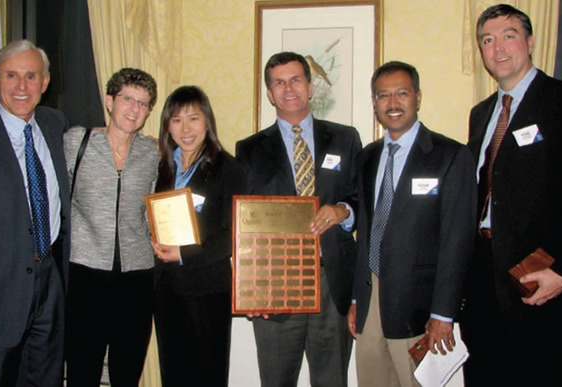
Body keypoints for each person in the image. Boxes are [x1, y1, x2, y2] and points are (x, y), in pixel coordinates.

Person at [459, 4, 562, 386]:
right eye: (487, 39)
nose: (497, 47)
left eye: (509, 35)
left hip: (539, 279)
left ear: (531, 41)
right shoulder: (481, 112)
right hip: (483, 280)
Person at [235, 51, 361, 387]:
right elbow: (243, 224)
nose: (288, 88)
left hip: (331, 284)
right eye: (279, 82)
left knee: (332, 381)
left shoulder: (346, 138)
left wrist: (342, 212)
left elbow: (361, 200)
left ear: (310, 86)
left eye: (295, 80)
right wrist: (250, 288)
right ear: (270, 93)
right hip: (275, 287)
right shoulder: (248, 149)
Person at [347, 61, 476, 387]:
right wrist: (355, 301)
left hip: (420, 308)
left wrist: (443, 313)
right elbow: (364, 231)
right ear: (374, 103)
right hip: (371, 298)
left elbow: (457, 240)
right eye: (383, 95)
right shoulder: (367, 157)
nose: (392, 103)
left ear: (417, 97)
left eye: (401, 93)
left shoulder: (450, 156)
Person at [0, 40, 70, 386]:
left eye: (31, 76)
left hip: (50, 285)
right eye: (11, 75)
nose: (21, 86)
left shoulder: (54, 123)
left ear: (45, 82)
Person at [63, 68, 159, 386]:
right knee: (82, 368)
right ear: (109, 101)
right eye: (127, 99)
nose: (134, 109)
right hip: (85, 273)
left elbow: (155, 209)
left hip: (137, 278)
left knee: (127, 371)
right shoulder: (76, 141)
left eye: (143, 103)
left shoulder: (152, 153)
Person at [151, 86, 246, 386]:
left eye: (194, 118)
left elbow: (233, 233)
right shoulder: (163, 167)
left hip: (207, 291)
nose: (186, 128)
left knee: (207, 375)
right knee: (174, 374)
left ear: (207, 122)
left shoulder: (227, 169)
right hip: (167, 291)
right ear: (167, 125)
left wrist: (183, 254)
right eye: (176, 120)